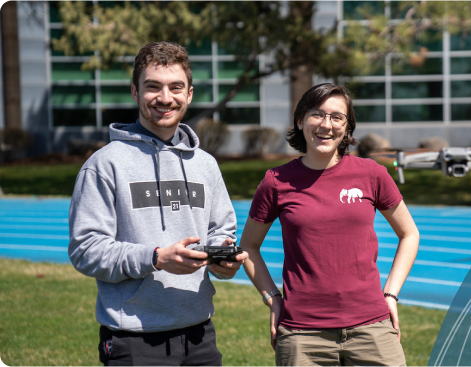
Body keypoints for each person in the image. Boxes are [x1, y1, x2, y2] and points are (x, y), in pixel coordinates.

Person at [68, 41, 247, 366]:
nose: (165, 98)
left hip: (200, 334)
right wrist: (155, 258)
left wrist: (223, 257)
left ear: (189, 93)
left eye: (175, 87)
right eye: (153, 87)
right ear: (135, 92)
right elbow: (85, 249)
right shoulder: (104, 164)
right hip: (133, 338)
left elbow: (222, 229)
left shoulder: (205, 164)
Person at [240, 83, 419, 366]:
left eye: (337, 117)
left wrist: (391, 294)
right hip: (302, 334)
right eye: (317, 114)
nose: (326, 124)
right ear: (300, 121)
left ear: (347, 128)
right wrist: (272, 298)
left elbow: (409, 233)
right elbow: (248, 246)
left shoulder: (372, 174)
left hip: (371, 326)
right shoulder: (276, 181)